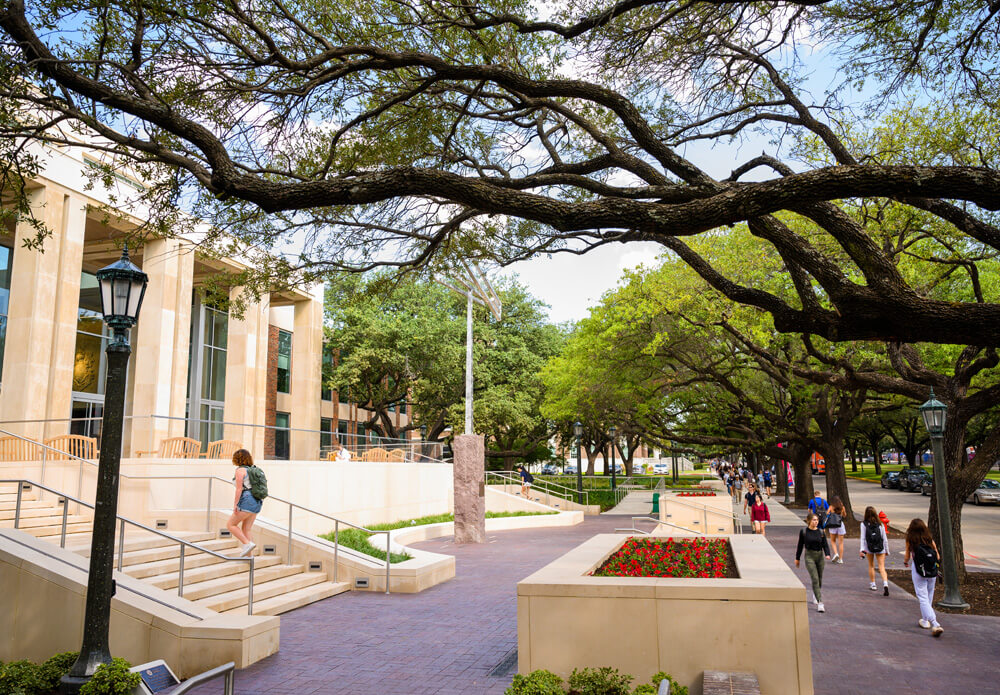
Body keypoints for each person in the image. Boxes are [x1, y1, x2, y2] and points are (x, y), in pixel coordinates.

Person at [903, 518, 944, 637]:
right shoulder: (929, 538)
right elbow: (937, 555)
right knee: (929, 595)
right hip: (932, 571)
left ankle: (935, 623)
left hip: (918, 570)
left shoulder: (910, 539)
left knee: (922, 597)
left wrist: (906, 562)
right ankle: (925, 620)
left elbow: (907, 555)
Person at [227, 449, 262, 557]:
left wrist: (235, 504)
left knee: (231, 525)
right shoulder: (254, 470)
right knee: (246, 529)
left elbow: (239, 489)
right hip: (257, 501)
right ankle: (249, 557)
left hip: (247, 500)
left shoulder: (240, 471)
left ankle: (247, 544)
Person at [795, 512, 832, 612]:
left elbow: (825, 545)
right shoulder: (804, 532)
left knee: (819, 578)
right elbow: (800, 545)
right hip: (809, 556)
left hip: (819, 556)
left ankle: (816, 594)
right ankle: (820, 602)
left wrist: (827, 554)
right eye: (814, 520)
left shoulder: (821, 532)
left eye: (817, 520)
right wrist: (797, 558)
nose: (816, 522)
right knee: (815, 578)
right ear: (809, 521)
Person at [860, 505, 890, 595]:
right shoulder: (880, 524)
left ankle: (873, 584)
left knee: (871, 565)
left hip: (869, 547)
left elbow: (863, 538)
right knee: (882, 567)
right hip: (880, 547)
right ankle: (885, 584)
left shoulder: (863, 524)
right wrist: (887, 550)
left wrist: (862, 549)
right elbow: (884, 538)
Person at [825, 495, 847, 563]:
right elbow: (844, 515)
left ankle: (836, 553)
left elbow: (827, 514)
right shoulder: (842, 507)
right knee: (841, 542)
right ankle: (840, 559)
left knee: (833, 541)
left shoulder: (831, 507)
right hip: (840, 524)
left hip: (832, 525)